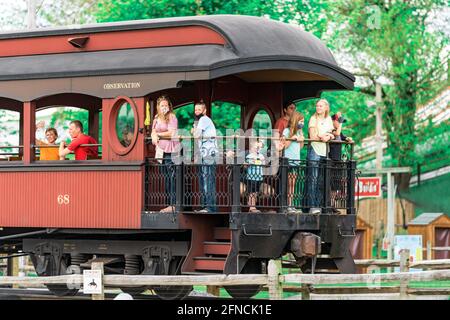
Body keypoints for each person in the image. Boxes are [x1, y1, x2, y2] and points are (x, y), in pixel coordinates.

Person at [151, 96, 179, 213]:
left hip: (171, 150)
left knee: (172, 177)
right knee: (166, 177)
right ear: (158, 107)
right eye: (162, 105)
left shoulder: (172, 117)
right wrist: (153, 135)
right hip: (161, 151)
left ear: (169, 106)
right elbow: (153, 130)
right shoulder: (156, 118)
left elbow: (172, 133)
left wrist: (159, 135)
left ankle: (174, 204)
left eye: (166, 105)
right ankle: (168, 203)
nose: (164, 107)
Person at [305, 99, 334, 210]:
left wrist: (328, 136)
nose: (318, 108)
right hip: (314, 150)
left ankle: (319, 206)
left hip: (325, 152)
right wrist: (322, 137)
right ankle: (312, 206)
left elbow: (332, 133)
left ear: (326, 107)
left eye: (321, 106)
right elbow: (312, 137)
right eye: (317, 106)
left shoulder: (329, 119)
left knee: (321, 180)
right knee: (313, 179)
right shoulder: (313, 119)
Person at [191, 101, 218, 213]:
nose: (197, 112)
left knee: (207, 180)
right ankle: (206, 206)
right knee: (204, 180)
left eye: (199, 110)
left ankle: (210, 207)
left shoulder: (204, 119)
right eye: (195, 110)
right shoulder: (200, 122)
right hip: (205, 153)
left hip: (209, 154)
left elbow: (196, 135)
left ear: (204, 111)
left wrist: (193, 131)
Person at [280, 111, 305, 213]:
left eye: (303, 122)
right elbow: (284, 145)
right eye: (301, 121)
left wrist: (301, 139)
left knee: (293, 184)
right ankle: (286, 204)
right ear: (295, 120)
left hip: (296, 161)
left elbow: (300, 147)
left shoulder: (299, 132)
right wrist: (292, 138)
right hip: (288, 161)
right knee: (288, 183)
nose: (302, 123)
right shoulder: (286, 131)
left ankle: (291, 204)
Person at [329, 113, 353, 212]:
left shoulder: (339, 131)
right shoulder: (330, 129)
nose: (340, 124)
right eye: (338, 121)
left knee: (336, 184)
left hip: (338, 160)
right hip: (331, 160)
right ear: (333, 121)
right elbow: (337, 134)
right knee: (330, 183)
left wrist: (348, 138)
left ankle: (333, 204)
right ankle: (329, 204)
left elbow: (342, 136)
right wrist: (340, 123)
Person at [244, 140, 265, 213]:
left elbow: (264, 164)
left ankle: (252, 205)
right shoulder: (249, 156)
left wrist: (261, 161)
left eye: (258, 147)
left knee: (255, 192)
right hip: (251, 177)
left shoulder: (261, 156)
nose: (257, 149)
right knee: (252, 192)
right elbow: (245, 166)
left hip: (259, 177)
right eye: (255, 147)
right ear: (252, 148)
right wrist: (251, 162)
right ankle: (252, 207)